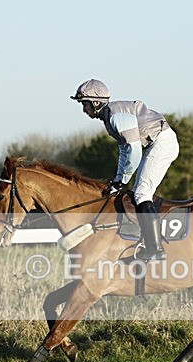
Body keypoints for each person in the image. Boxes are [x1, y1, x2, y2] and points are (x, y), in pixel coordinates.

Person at [71, 79, 179, 261]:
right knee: (138, 193)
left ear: (96, 102)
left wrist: (122, 179)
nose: (84, 110)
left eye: (85, 105)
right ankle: (146, 242)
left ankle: (155, 249)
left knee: (142, 194)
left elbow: (134, 151)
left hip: (162, 143)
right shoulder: (109, 117)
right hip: (155, 143)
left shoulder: (115, 116)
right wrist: (118, 179)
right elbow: (124, 151)